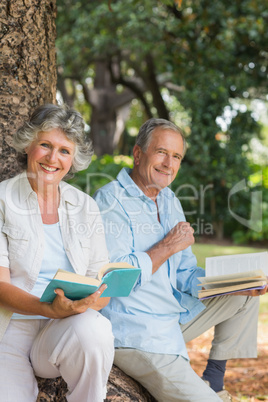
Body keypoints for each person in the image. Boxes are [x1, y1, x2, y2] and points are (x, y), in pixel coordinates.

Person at [94, 118, 267, 402]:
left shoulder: (170, 200)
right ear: (138, 154)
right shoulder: (110, 201)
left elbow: (185, 274)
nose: (168, 163)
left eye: (176, 157)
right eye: (161, 152)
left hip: (171, 318)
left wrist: (232, 283)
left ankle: (214, 380)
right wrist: (167, 246)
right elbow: (114, 281)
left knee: (243, 292)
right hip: (137, 333)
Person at [0, 104, 114, 402]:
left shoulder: (85, 206)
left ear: (74, 158)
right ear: (28, 145)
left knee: (95, 329)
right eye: (45, 146)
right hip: (9, 329)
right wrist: (47, 308)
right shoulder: (2, 199)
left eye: (64, 150)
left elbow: (100, 281)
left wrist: (86, 302)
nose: (53, 159)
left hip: (63, 327)